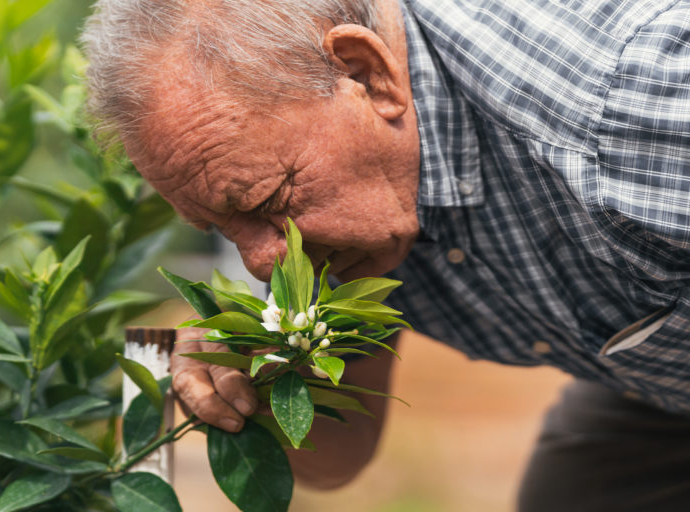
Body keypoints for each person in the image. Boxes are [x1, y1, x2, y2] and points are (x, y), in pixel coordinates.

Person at [82, 0, 690, 509]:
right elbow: (336, 458)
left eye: (268, 199)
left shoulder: (635, 107)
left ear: (367, 75)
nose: (261, 264)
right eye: (218, 226)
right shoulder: (328, 211)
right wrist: (264, 380)